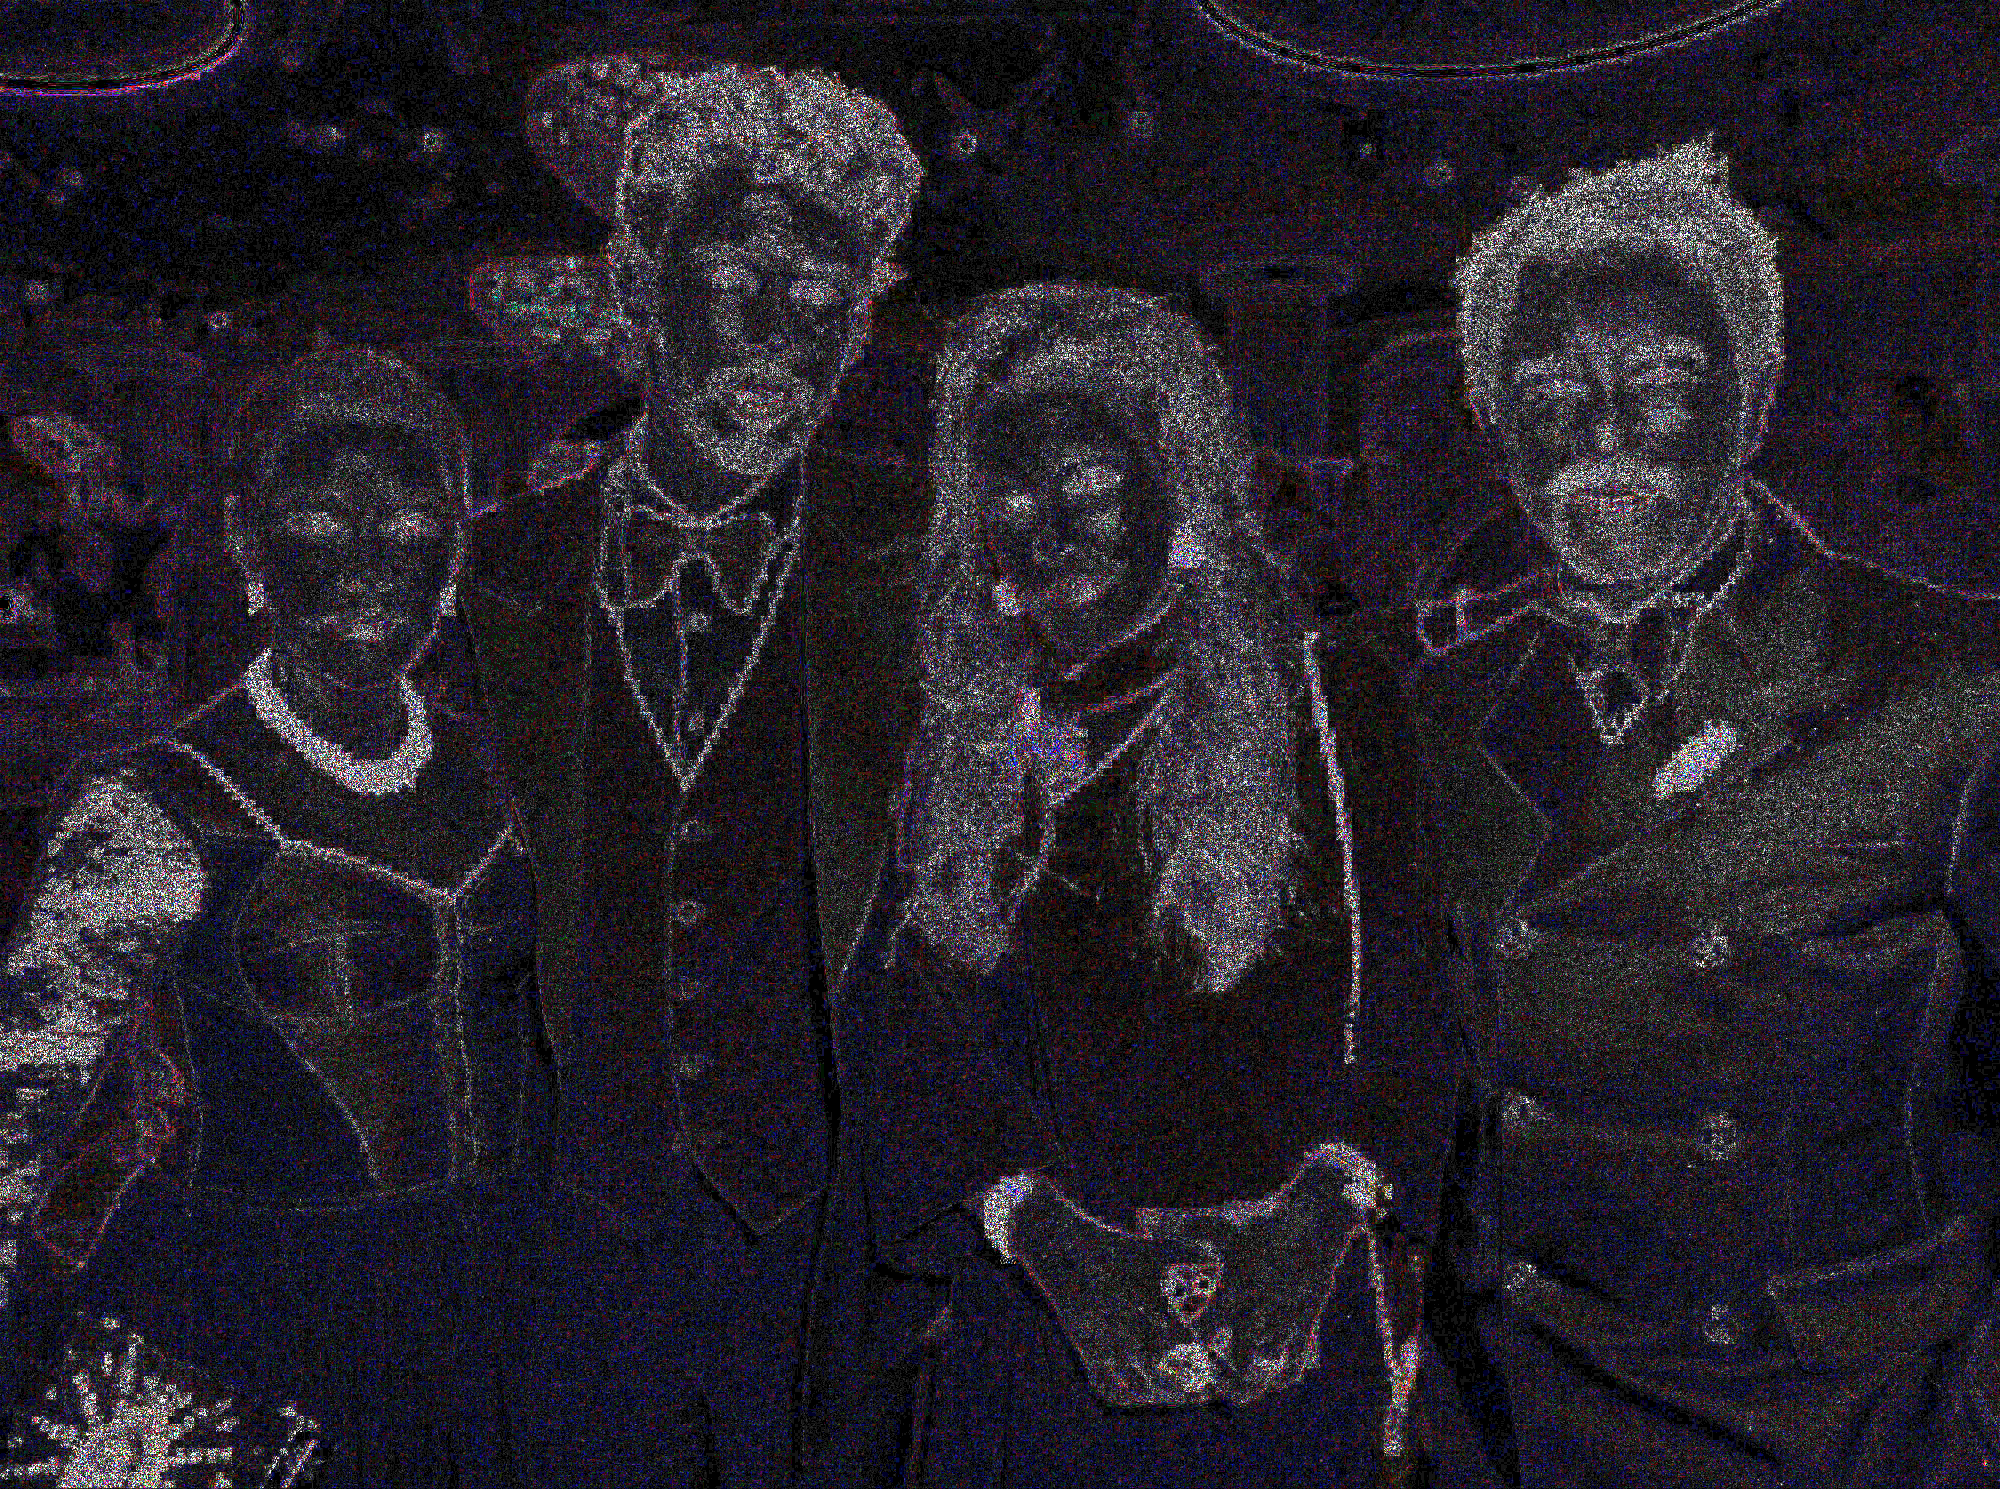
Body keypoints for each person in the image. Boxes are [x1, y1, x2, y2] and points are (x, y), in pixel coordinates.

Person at [1411, 138, 2000, 1488]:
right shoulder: (1445, 707)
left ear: (1756, 394)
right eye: (1549, 390)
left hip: (1839, 1428)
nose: (1602, 435)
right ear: (1491, 419)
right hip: (1512, 1423)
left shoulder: (1950, 687)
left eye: (1663, 383)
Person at [820, 283, 1454, 1488]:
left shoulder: (1334, 705)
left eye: (1090, 482)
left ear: (1182, 485)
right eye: (1012, 500)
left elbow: (1415, 1010)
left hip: (1281, 1342)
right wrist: (1048, 1243)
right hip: (1029, 1354)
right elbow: (910, 1048)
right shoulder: (946, 740)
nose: (1052, 534)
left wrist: (1316, 1221)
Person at [460, 57, 924, 1487]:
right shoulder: (486, 575)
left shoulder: (941, 564)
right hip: (558, 1245)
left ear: (864, 317)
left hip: (842, 1260)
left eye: (820, 294)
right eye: (731, 278)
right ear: (636, 285)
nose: (775, 334)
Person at [0, 347, 547, 1487]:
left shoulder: (517, 779)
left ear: (455, 553)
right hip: (249, 1335)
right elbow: (16, 1126)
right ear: (248, 541)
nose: (365, 566)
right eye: (318, 521)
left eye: (408, 526)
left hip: (499, 1330)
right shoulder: (151, 807)